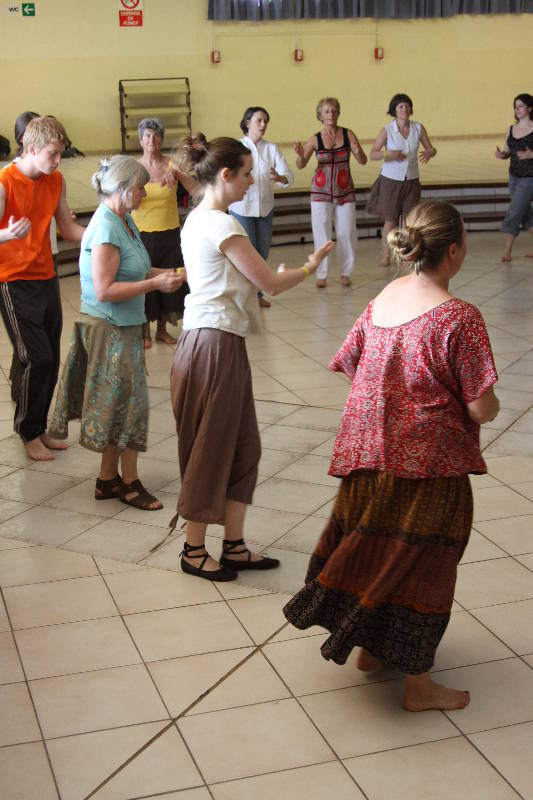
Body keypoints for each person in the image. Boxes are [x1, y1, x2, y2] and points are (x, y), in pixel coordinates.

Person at [284, 200, 500, 712]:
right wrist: (487, 403)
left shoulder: (384, 295)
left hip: (366, 455)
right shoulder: (459, 317)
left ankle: (369, 650)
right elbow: (480, 406)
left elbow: (351, 362)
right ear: (453, 250)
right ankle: (419, 686)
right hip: (426, 467)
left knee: (376, 553)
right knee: (425, 563)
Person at [170, 133, 333, 581]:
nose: (249, 183)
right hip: (213, 344)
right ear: (225, 175)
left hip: (217, 340)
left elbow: (251, 278)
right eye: (245, 174)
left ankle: (235, 544)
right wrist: (308, 267)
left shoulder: (200, 219)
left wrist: (274, 275)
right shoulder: (222, 223)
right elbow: (270, 285)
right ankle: (193, 549)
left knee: (245, 446)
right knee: (211, 447)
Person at [49, 156, 185, 510]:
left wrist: (169, 273)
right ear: (124, 189)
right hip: (109, 328)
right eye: (141, 187)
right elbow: (105, 288)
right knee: (130, 407)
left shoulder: (124, 220)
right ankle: (129, 484)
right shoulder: (106, 227)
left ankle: (107, 479)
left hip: (123, 326)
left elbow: (135, 266)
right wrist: (155, 283)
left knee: (117, 406)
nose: (145, 192)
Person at [0, 116, 85, 462]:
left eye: (61, 154)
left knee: (51, 358)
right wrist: (7, 235)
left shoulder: (55, 180)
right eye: (53, 154)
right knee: (35, 357)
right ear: (31, 148)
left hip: (46, 277)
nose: (58, 161)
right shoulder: (5, 182)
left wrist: (107, 228)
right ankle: (27, 431)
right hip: (12, 280)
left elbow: (67, 227)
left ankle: (38, 426)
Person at [130, 117, 196, 348]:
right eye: (147, 135)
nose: (152, 140)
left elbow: (196, 190)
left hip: (169, 232)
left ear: (161, 140)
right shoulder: (135, 168)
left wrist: (179, 177)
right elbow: (127, 202)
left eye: (156, 136)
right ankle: (144, 331)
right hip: (141, 234)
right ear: (140, 140)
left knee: (169, 279)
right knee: (146, 280)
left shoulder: (171, 165)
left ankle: (162, 331)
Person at [293, 97, 366, 288]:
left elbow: (363, 160)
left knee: (346, 232)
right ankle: (322, 273)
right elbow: (301, 165)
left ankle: (345, 272)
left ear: (338, 113)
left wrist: (358, 152)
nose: (330, 114)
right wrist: (300, 155)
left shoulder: (348, 134)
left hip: (345, 190)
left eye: (334, 111)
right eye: (326, 111)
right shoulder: (315, 139)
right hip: (320, 192)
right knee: (322, 233)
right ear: (320, 116)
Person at [229, 105, 294, 308]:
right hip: (241, 208)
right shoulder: (237, 148)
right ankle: (243, 296)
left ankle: (255, 294)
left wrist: (280, 177)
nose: (263, 124)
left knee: (262, 252)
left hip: (265, 207)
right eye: (259, 120)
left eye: (266, 121)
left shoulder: (271, 148)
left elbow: (288, 176)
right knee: (245, 253)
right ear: (248, 123)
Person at [367, 93, 437, 268]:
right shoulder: (387, 129)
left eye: (407, 106)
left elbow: (431, 148)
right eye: (400, 107)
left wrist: (430, 152)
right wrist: (388, 154)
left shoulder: (418, 128)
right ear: (394, 110)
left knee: (408, 222)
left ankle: (407, 254)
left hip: (411, 180)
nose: (404, 109)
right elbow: (373, 153)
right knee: (390, 221)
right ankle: (386, 255)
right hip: (390, 180)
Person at [495, 93, 533, 262]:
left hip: (529, 177)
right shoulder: (511, 129)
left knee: (514, 212)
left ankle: (507, 252)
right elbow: (507, 152)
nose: (517, 110)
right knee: (526, 215)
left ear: (530, 108)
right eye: (515, 107)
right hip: (514, 177)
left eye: (521, 106)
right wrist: (501, 154)